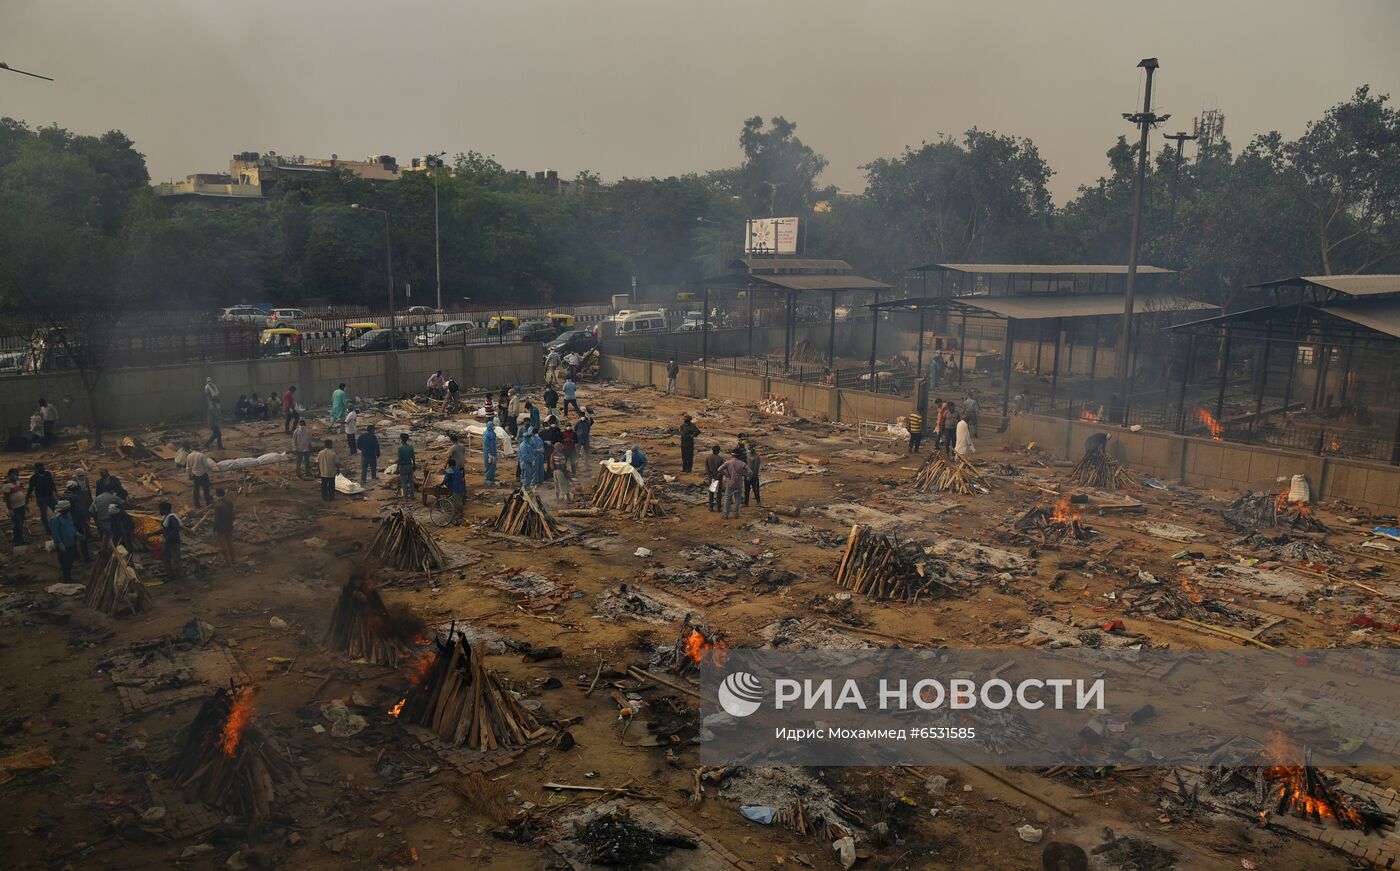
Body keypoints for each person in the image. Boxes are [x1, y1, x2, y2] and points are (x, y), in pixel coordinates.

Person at [718, 450, 751, 520]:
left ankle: (725, 515)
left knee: (728, 499)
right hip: (738, 483)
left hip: (730, 482)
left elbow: (719, 469)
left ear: (732, 455)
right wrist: (743, 474)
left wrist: (726, 474)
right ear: (739, 456)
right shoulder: (742, 463)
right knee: (737, 499)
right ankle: (736, 514)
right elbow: (750, 472)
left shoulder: (728, 462)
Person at [50, 500, 78, 582]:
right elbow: (55, 533)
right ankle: (66, 577)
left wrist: (76, 533)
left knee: (70, 560)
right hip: (64, 544)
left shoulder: (68, 515)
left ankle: (68, 575)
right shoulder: (55, 519)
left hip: (71, 541)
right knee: (65, 562)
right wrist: (60, 544)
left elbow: (71, 525)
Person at [154, 500, 183, 580]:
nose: (159, 511)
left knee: (176, 559)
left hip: (173, 542)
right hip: (168, 542)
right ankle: (171, 575)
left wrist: (167, 537)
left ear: (165, 510)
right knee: (165, 557)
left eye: (160, 509)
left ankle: (179, 576)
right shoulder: (168, 518)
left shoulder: (172, 518)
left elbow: (176, 528)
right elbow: (165, 530)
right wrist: (152, 534)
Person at [26, 462, 57, 529]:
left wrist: (56, 493)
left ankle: (59, 524)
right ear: (36, 469)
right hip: (41, 498)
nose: (42, 468)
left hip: (50, 496)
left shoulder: (47, 474)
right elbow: (30, 489)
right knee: (44, 514)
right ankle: (47, 528)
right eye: (40, 467)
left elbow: (52, 484)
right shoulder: (33, 478)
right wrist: (27, 500)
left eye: (43, 467)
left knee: (57, 510)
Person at [186, 443, 216, 508]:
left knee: (196, 489)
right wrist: (211, 470)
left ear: (192, 448)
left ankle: (197, 504)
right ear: (199, 448)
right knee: (206, 489)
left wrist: (189, 476)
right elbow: (206, 465)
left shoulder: (189, 456)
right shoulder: (201, 455)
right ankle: (208, 502)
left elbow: (188, 467)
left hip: (195, 475)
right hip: (203, 474)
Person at [212, 488, 236, 565]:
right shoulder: (229, 502)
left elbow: (217, 519)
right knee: (230, 543)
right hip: (229, 526)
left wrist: (215, 528)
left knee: (223, 545)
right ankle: (233, 559)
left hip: (221, 528)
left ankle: (227, 561)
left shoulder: (218, 506)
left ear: (217, 495)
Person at [4, 468, 27, 545]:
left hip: (21, 506)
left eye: (17, 474)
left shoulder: (17, 483)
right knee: (18, 525)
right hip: (15, 508)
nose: (17, 476)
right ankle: (19, 541)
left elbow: (20, 493)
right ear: (10, 475)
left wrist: (25, 505)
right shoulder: (7, 486)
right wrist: (10, 510)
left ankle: (16, 538)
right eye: (15, 474)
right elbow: (7, 499)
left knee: (20, 524)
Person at [443, 458, 466, 522]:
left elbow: (446, 479)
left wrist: (441, 484)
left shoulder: (450, 469)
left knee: (458, 502)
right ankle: (459, 513)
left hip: (456, 488)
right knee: (459, 500)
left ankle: (460, 514)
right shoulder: (457, 469)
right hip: (462, 487)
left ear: (449, 464)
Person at [397, 432, 417, 500]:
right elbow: (413, 457)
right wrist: (414, 465)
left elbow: (399, 459)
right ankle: (412, 496)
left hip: (403, 466)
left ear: (401, 439)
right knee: (411, 481)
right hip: (410, 466)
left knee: (404, 482)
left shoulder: (400, 448)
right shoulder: (411, 447)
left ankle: (405, 497)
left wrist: (397, 468)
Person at [703, 446, 723, 513]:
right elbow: (721, 470)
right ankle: (719, 508)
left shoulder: (708, 458)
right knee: (718, 493)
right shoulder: (720, 459)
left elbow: (707, 469)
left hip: (711, 478)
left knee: (711, 492)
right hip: (718, 478)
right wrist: (717, 476)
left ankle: (711, 507)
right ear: (717, 451)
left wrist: (711, 476)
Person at [743, 443, 762, 507]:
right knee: (746, 490)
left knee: (756, 489)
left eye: (752, 448)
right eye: (750, 448)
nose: (750, 450)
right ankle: (746, 502)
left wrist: (750, 476)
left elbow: (755, 469)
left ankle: (758, 501)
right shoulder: (748, 456)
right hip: (747, 475)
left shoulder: (756, 457)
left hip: (754, 476)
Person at [482, 421, 499, 486]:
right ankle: (487, 479)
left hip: (494, 451)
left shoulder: (493, 433)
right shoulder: (486, 434)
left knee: (493, 465)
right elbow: (486, 444)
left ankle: (492, 477)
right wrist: (489, 453)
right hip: (488, 452)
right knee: (488, 465)